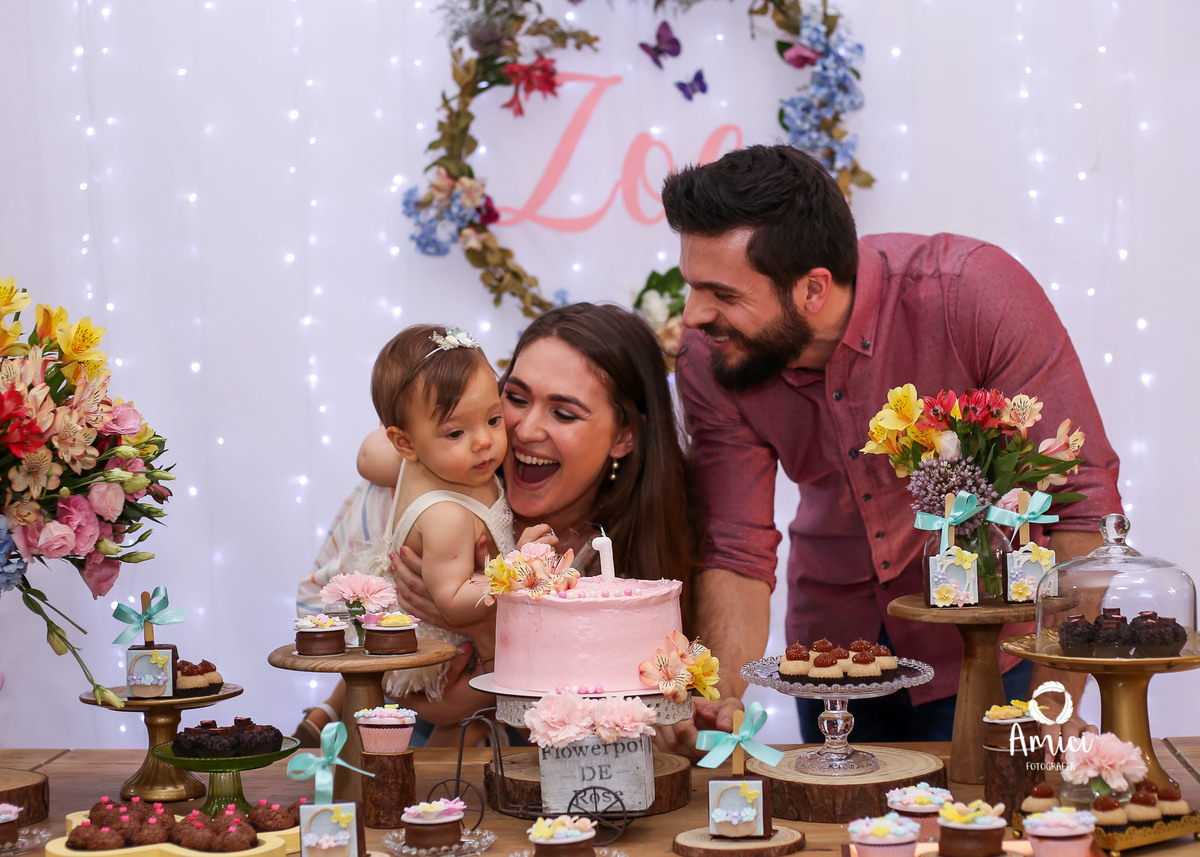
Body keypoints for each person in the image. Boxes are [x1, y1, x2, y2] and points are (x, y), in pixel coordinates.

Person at [656, 144, 1122, 747]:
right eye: (692, 286)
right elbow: (736, 547)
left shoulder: (968, 293)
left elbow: (1081, 502)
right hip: (830, 657)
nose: (693, 315)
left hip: (989, 642)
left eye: (723, 294)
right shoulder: (711, 356)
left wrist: (1052, 704)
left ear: (813, 290)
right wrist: (717, 698)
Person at [297, 304, 714, 743]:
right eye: (516, 399)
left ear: (624, 436)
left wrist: (484, 640)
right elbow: (320, 605)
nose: (524, 430)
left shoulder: (625, 562)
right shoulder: (437, 486)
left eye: (564, 413)